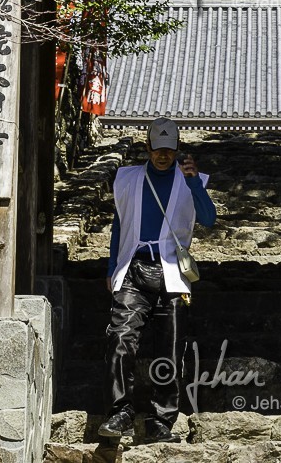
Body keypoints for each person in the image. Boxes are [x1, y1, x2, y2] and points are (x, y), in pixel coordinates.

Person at [97, 117, 216, 444]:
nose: (163, 156)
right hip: (134, 268)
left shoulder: (189, 180)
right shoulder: (128, 179)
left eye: (169, 150)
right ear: (147, 148)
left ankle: (160, 422)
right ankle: (119, 412)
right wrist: (111, 267)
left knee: (170, 349)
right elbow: (119, 226)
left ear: (177, 151)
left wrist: (193, 183)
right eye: (157, 150)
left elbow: (209, 219)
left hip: (173, 274)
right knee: (120, 339)